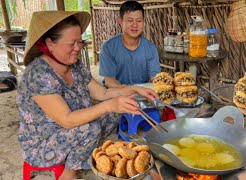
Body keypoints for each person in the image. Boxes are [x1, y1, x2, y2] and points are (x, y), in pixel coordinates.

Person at [17, 11, 158, 180]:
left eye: (80, 42)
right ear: (50, 43)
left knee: (113, 113)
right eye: (72, 43)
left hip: (72, 128)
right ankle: (68, 174)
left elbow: (103, 92)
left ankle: (91, 154)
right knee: (91, 128)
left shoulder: (75, 66)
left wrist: (136, 89)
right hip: (43, 142)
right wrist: (110, 104)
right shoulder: (38, 75)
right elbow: (67, 119)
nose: (78, 48)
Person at [99, 1, 161, 88]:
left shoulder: (151, 48)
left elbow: (154, 78)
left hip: (144, 94)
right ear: (120, 22)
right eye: (130, 20)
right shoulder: (108, 48)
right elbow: (110, 81)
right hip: (117, 94)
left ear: (143, 22)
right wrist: (131, 90)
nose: (135, 25)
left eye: (139, 21)